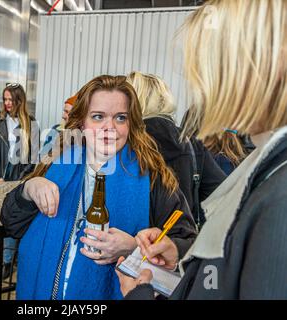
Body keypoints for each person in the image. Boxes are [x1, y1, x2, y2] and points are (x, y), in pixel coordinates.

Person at [117, 0, 287, 299]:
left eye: (211, 66)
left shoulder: (279, 197)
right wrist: (184, 258)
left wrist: (140, 296)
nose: (201, 86)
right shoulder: (266, 166)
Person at [1, 75, 197, 300]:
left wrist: (134, 248)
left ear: (130, 123)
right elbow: (11, 223)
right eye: (98, 117)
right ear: (82, 123)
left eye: (120, 118)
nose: (110, 127)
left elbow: (186, 245)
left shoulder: (153, 177)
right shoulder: (55, 163)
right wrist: (28, 190)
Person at [127, 71, 226, 228]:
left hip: (135, 241)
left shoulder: (127, 141)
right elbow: (222, 192)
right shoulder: (191, 142)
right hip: (179, 240)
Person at [0, 83, 37, 279]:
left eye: (10, 100)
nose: (6, 103)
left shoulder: (31, 124)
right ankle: (4, 259)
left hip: (18, 180)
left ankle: (7, 262)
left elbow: (33, 158)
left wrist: (22, 179)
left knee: (12, 220)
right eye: (4, 99)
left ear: (19, 101)